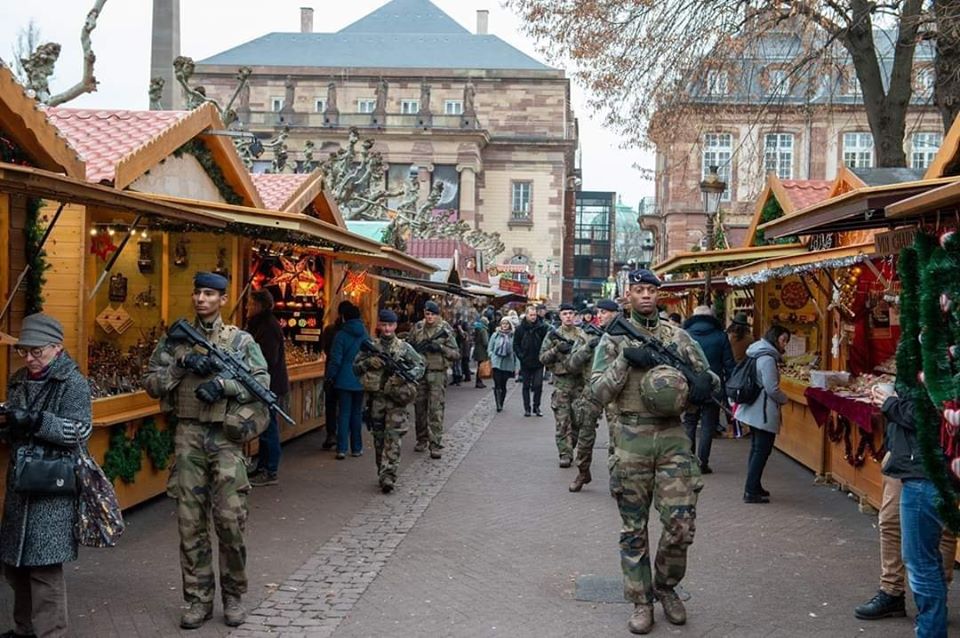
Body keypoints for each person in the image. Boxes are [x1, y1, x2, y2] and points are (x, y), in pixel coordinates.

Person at [591, 269, 716, 635]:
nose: (645, 295)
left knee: (681, 524)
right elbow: (597, 392)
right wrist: (626, 360)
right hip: (631, 437)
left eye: (651, 290)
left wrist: (698, 386)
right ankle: (640, 600)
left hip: (673, 437)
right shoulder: (613, 340)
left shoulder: (678, 338)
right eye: (639, 290)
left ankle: (666, 586)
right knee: (633, 527)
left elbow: (708, 379)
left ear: (658, 296)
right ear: (628, 295)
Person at [143, 272, 270, 629]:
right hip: (188, 436)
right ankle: (198, 600)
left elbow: (261, 384)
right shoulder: (175, 341)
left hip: (226, 439)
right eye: (197, 292)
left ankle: (233, 595)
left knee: (230, 521)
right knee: (190, 524)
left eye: (210, 294)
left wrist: (224, 385)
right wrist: (181, 365)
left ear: (223, 300)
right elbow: (152, 383)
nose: (201, 299)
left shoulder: (240, 341)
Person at [0, 313, 92, 638]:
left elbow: (79, 431)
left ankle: (50, 633)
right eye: (24, 351)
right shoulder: (18, 379)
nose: (29, 358)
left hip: (52, 484)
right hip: (21, 484)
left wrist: (37, 421)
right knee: (15, 566)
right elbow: (17, 427)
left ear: (57, 347)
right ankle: (24, 629)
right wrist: (8, 423)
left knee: (44, 568)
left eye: (36, 351)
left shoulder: (73, 383)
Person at [853, 384, 956, 629]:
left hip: (931, 464)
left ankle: (935, 603)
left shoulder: (940, 357)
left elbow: (932, 417)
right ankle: (892, 592)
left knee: (934, 544)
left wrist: (890, 402)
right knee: (890, 521)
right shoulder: (914, 354)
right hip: (902, 454)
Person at [354, 310, 425, 492]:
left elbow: (420, 366)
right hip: (376, 401)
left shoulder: (403, 348)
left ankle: (389, 475)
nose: (386, 328)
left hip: (396, 401)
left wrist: (407, 376)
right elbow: (356, 368)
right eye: (383, 325)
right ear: (379, 325)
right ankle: (382, 471)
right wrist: (369, 363)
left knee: (393, 439)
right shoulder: (371, 346)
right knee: (379, 439)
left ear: (395, 326)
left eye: (390, 325)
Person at [569, 298, 620, 492]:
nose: (600, 316)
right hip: (592, 389)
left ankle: (616, 478)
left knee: (617, 437)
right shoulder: (587, 335)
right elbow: (572, 364)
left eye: (604, 312)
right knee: (585, 434)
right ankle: (583, 472)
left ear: (615, 314)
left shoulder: (624, 335)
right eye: (598, 312)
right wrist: (587, 348)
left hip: (615, 392)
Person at [735, 324, 790, 504]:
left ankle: (754, 485)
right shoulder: (767, 358)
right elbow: (771, 388)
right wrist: (784, 399)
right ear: (775, 338)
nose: (785, 344)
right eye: (783, 340)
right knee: (762, 450)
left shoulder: (757, 352)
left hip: (754, 409)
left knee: (757, 449)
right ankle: (751, 490)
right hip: (762, 410)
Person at [681, 306, 735, 474]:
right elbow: (729, 365)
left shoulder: (685, 335)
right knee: (707, 426)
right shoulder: (721, 336)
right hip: (713, 387)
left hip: (691, 386)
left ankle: (689, 461)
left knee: (689, 423)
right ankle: (702, 463)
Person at [246, 290, 290, 487]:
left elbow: (268, 359)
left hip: (269, 385)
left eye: (250, 304)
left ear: (259, 306)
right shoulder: (261, 325)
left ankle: (270, 470)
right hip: (265, 384)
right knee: (264, 426)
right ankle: (262, 466)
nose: (247, 307)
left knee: (269, 427)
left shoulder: (268, 327)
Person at [406, 300, 460, 459]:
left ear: (438, 315)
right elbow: (409, 346)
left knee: (435, 409)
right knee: (419, 407)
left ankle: (435, 443)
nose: (429, 317)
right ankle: (421, 439)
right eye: (427, 314)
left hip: (437, 374)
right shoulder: (417, 328)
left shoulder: (445, 330)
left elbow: (456, 353)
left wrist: (440, 348)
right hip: (420, 373)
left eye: (433, 314)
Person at [540, 303, 588, 468]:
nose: (568, 316)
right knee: (562, 421)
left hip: (579, 383)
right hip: (561, 383)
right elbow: (542, 358)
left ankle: (570, 445)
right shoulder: (553, 335)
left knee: (577, 421)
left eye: (570, 313)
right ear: (560, 316)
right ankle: (565, 454)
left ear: (575, 316)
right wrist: (555, 350)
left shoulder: (582, 334)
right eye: (565, 314)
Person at [326, 302, 368, 460]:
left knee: (343, 413)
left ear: (344, 317)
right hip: (360, 378)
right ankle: (357, 447)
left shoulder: (341, 335)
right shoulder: (364, 333)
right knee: (356, 413)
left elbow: (335, 359)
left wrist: (330, 376)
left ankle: (342, 448)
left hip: (343, 378)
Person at [319, 301, 353, 450]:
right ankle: (343, 438)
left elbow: (326, 350)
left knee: (331, 405)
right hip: (347, 373)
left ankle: (331, 434)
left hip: (331, 372)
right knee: (345, 407)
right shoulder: (352, 332)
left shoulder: (329, 330)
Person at [514, 305, 549, 417]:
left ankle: (536, 407)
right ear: (526, 315)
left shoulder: (542, 327)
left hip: (538, 361)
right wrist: (521, 356)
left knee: (538, 385)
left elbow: (546, 343)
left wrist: (544, 355)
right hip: (526, 361)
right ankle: (527, 408)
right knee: (526, 386)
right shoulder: (520, 328)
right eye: (531, 315)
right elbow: (516, 344)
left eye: (534, 315)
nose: (533, 317)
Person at [489, 318, 519, 412]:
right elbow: (490, 348)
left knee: (503, 384)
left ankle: (501, 401)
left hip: (508, 363)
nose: (505, 325)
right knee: (497, 383)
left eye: (506, 324)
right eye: (503, 324)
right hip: (496, 362)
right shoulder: (495, 335)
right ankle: (498, 404)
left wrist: (517, 366)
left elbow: (516, 352)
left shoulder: (513, 336)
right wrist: (492, 356)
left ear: (510, 325)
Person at [472, 317, 489, 389]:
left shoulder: (477, 329)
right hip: (482, 350)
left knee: (479, 366)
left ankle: (478, 381)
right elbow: (485, 342)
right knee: (481, 367)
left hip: (477, 349)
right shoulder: (483, 330)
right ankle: (479, 382)